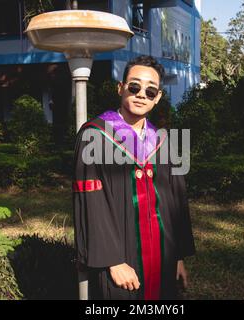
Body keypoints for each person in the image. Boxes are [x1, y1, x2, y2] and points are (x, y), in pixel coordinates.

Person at [73, 55, 195, 300]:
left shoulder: (161, 139)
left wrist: (177, 257)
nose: (141, 95)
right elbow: (91, 200)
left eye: (150, 91)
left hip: (163, 255)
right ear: (121, 88)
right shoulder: (95, 134)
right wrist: (113, 261)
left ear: (158, 97)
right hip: (121, 256)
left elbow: (175, 201)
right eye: (134, 86)